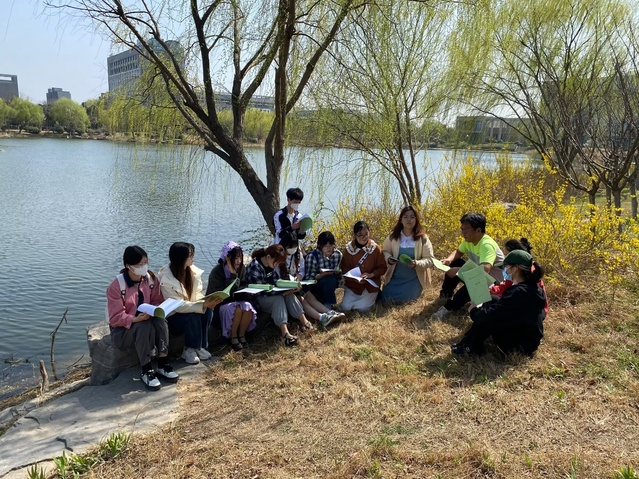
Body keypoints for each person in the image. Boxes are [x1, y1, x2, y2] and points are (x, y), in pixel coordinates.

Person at [107, 245, 179, 390]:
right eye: (140, 264)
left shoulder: (150, 279)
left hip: (146, 319)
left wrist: (156, 310)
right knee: (142, 326)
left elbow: (157, 300)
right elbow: (115, 317)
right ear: (129, 266)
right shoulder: (116, 285)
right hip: (122, 331)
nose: (144, 267)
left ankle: (162, 364)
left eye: (146, 262)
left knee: (160, 321)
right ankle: (146, 370)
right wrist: (135, 319)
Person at [451, 250, 546, 357]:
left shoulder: (518, 293)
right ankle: (469, 343)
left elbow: (489, 316)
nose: (504, 270)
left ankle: (469, 348)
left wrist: (474, 310)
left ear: (515, 269)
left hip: (517, 348)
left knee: (488, 317)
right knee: (493, 300)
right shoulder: (533, 288)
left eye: (506, 267)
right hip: (528, 341)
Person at [158, 242, 222, 365]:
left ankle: (200, 346)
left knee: (208, 311)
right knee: (193, 315)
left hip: (190, 308)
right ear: (180, 258)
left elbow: (198, 293)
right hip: (174, 316)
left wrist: (206, 301)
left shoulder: (193, 272)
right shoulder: (165, 278)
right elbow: (177, 305)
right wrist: (201, 305)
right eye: (190, 255)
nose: (193, 258)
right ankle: (189, 349)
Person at [431, 212, 504, 319]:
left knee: (473, 281)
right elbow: (458, 252)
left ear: (478, 230)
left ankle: (449, 307)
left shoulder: (486, 245)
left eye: (466, 230)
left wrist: (458, 270)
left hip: (494, 283)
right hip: (479, 275)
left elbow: (485, 270)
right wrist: (448, 260)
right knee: (455, 262)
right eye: (462, 229)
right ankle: (446, 295)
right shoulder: (469, 240)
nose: (463, 233)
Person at [246, 244, 314, 346]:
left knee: (289, 295)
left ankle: (305, 322)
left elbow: (276, 282)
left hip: (272, 293)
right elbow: (261, 290)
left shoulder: (271, 264)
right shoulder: (255, 266)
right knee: (279, 299)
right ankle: (285, 334)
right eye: (276, 262)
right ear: (268, 257)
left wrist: (290, 287)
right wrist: (283, 292)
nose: (277, 265)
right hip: (259, 298)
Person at [280, 233, 345, 328]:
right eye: (290, 247)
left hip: (297, 284)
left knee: (308, 295)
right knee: (302, 299)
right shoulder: (279, 256)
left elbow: (302, 269)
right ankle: (322, 317)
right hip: (286, 287)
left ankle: (330, 312)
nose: (293, 249)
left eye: (294, 247)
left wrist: (299, 275)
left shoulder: (297, 254)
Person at [206, 241, 257, 351]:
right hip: (218, 305)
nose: (239, 261)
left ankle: (242, 335)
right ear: (228, 258)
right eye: (236, 258)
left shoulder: (242, 268)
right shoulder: (217, 272)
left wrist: (246, 292)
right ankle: (233, 337)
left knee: (248, 307)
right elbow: (221, 295)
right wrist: (233, 276)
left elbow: (243, 285)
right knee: (237, 308)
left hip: (236, 300)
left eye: (240, 258)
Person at [380, 205, 436, 303]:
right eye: (405, 217)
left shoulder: (423, 238)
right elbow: (385, 251)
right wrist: (389, 259)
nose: (408, 220)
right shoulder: (393, 236)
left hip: (414, 278)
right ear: (401, 220)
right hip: (395, 277)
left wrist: (416, 263)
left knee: (408, 300)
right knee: (386, 298)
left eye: (412, 217)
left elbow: (430, 259)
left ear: (416, 220)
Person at [490, 238, 548, 315]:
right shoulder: (516, 274)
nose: (505, 258)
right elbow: (504, 288)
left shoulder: (526, 276)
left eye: (507, 255)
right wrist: (491, 289)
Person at [340, 221, 388, 313]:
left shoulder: (375, 248)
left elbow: (382, 267)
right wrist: (355, 279)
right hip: (353, 286)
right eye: (360, 235)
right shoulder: (349, 250)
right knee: (345, 308)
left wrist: (371, 274)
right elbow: (344, 268)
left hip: (370, 285)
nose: (364, 237)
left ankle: (377, 296)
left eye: (366, 234)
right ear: (355, 235)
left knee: (363, 309)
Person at [303, 231, 343, 310]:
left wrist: (338, 272)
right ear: (320, 246)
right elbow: (308, 279)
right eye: (325, 246)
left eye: (331, 245)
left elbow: (342, 272)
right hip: (317, 284)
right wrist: (322, 275)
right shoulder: (312, 256)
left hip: (334, 281)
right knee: (328, 280)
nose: (328, 248)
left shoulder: (338, 254)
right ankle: (328, 304)